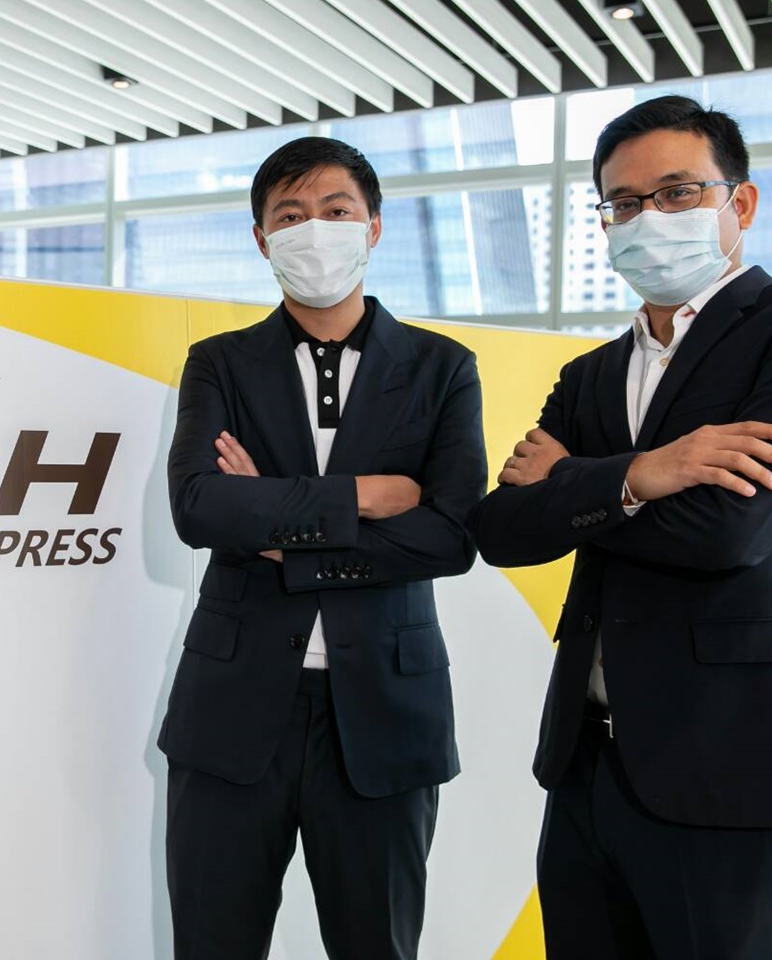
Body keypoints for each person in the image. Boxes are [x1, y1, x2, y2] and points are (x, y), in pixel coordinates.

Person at [468, 95, 772, 958]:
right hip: (585, 764)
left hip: (734, 762)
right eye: (624, 202)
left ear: (741, 202)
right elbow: (502, 529)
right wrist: (645, 474)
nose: (649, 217)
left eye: (678, 192)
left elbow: (737, 530)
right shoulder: (590, 375)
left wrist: (576, 487)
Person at [159, 136, 486, 959]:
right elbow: (199, 507)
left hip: (384, 713)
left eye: (336, 211)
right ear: (262, 238)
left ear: (372, 226)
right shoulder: (220, 363)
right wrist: (365, 496)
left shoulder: (443, 368)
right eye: (290, 215)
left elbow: (451, 535)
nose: (314, 230)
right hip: (232, 711)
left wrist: (279, 531)